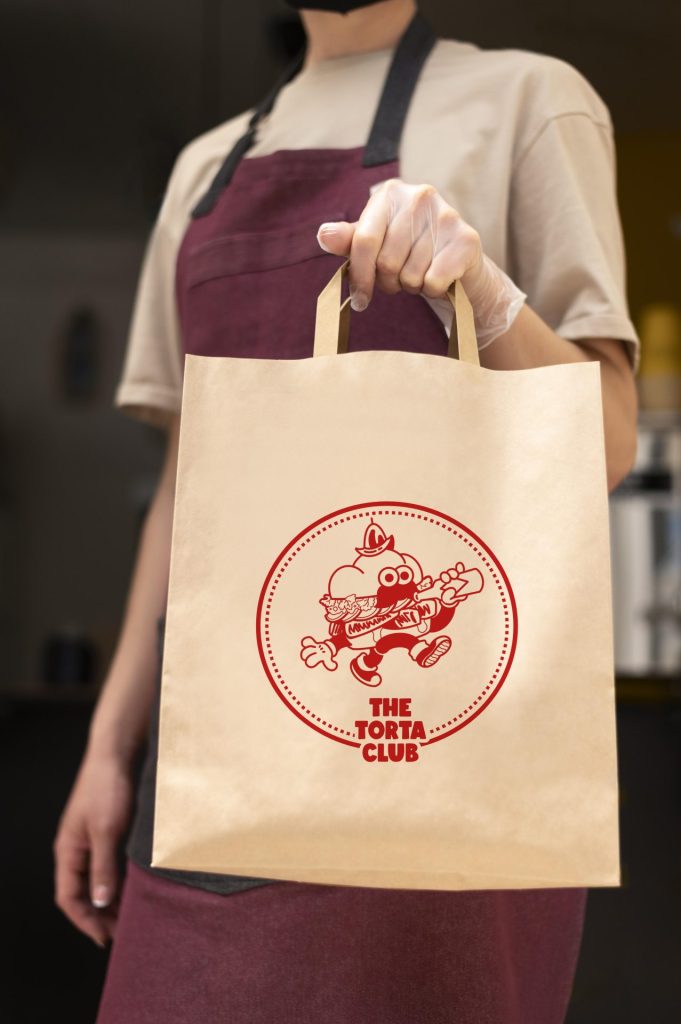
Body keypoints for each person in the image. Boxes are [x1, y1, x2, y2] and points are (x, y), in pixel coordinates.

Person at [53, 1, 639, 1021]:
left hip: (436, 767)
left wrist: (484, 293)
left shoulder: (530, 102)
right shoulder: (202, 171)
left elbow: (609, 443)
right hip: (207, 768)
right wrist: (109, 750)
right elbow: (189, 489)